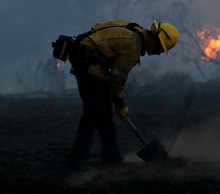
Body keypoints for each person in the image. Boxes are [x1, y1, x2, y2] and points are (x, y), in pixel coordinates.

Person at [66, 20, 179, 168]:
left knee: (104, 114)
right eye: (159, 47)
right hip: (88, 64)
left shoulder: (134, 29)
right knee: (94, 113)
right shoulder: (133, 46)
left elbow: (98, 27)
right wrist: (120, 104)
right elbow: (118, 78)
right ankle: (76, 161)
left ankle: (111, 160)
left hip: (91, 62)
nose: (157, 52)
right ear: (153, 35)